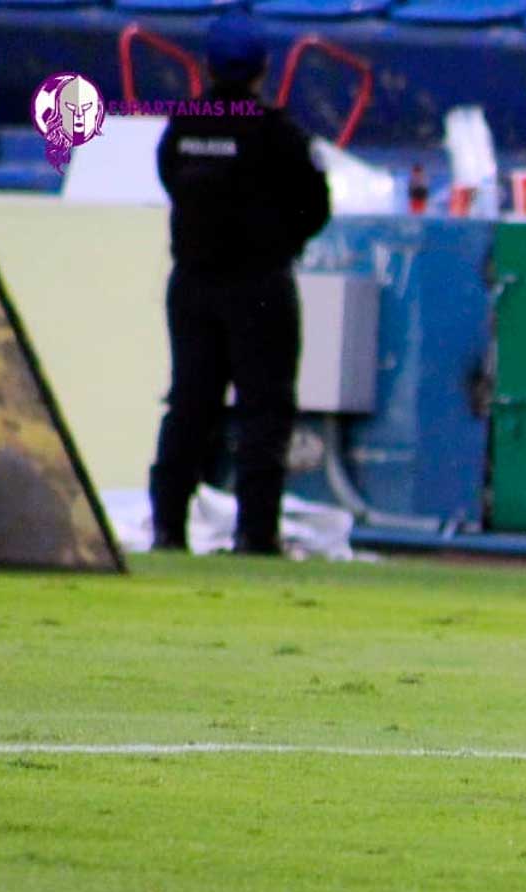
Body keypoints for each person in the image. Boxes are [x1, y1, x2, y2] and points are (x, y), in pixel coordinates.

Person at [149, 13, 330, 555]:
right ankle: (255, 532)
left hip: (193, 282)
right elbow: (315, 205)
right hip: (260, 285)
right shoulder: (277, 132)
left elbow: (171, 180)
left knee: (189, 405)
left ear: (207, 66)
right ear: (263, 68)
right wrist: (277, 243)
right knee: (264, 410)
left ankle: (168, 528)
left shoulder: (184, 126)